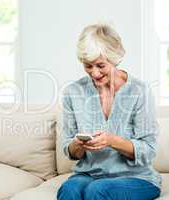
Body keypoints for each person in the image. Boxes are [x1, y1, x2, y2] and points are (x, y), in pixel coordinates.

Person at [57, 23, 162, 200]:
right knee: (69, 189)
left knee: (98, 190)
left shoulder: (140, 91)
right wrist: (77, 144)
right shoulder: (73, 92)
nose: (94, 73)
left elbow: (148, 150)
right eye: (88, 66)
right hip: (89, 174)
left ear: (115, 59)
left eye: (100, 65)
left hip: (136, 177)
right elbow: (70, 150)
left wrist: (112, 140)